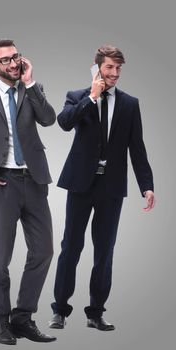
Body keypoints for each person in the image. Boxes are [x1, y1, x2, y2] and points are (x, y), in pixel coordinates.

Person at [49, 45, 155, 331]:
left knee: (104, 251)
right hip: (81, 184)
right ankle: (59, 310)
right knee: (71, 247)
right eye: (110, 67)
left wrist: (147, 185)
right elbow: (63, 123)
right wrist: (92, 98)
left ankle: (95, 313)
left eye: (119, 68)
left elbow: (137, 147)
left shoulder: (130, 104)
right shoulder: (78, 96)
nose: (115, 73)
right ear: (97, 68)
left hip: (111, 187)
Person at [0, 39, 56, 345]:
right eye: (4, 60)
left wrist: (29, 83)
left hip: (35, 180)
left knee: (43, 251)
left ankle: (23, 318)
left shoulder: (32, 88)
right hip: (2, 183)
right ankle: (1, 321)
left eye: (15, 57)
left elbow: (49, 119)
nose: (13, 63)